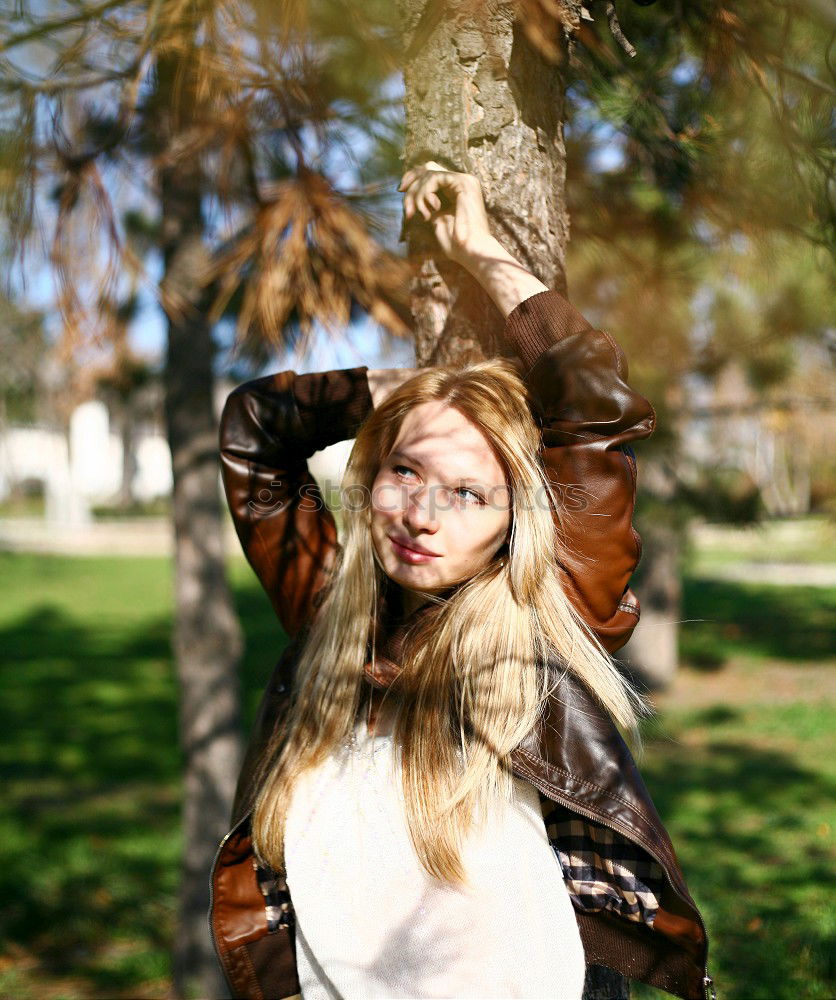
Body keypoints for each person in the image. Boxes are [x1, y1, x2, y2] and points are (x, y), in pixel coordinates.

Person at [211, 164, 713, 1000]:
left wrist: (481, 250)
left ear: (514, 521)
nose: (420, 513)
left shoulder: (542, 618)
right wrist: (416, 392)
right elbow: (256, 428)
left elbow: (590, 399)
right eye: (404, 471)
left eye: (469, 493)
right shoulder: (334, 613)